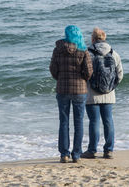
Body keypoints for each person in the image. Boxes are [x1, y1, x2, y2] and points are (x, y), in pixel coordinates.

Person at [49, 25, 93, 163]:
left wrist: (60, 79)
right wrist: (83, 80)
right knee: (79, 122)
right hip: (79, 90)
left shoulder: (58, 49)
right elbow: (88, 72)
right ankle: (76, 155)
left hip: (62, 89)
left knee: (64, 122)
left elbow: (53, 69)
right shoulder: (83, 50)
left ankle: (64, 154)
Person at [81, 27, 123, 159]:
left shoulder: (87, 53)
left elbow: (84, 73)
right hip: (109, 93)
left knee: (94, 121)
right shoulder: (114, 53)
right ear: (104, 38)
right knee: (108, 121)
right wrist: (111, 86)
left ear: (93, 39)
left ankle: (92, 150)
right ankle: (108, 150)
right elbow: (120, 74)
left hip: (92, 94)